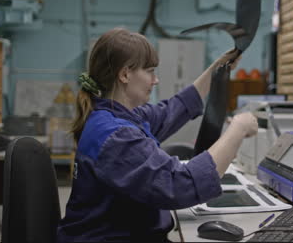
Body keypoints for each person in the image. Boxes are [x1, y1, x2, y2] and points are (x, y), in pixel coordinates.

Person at [56, 27, 258, 242]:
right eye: (150, 70)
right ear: (125, 74)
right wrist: (238, 128)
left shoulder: (119, 117)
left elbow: (174, 109)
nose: (155, 80)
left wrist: (217, 69)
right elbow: (180, 185)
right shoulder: (115, 135)